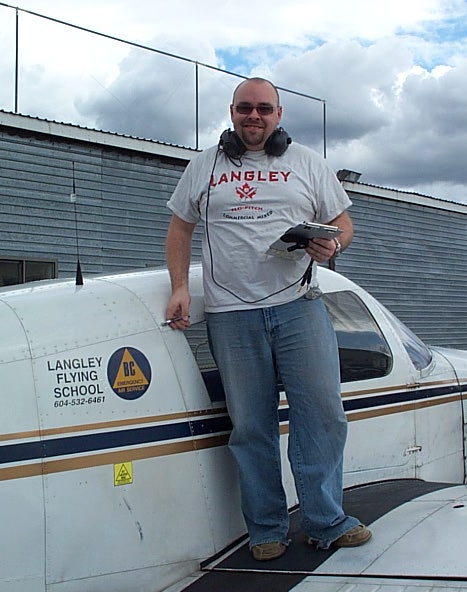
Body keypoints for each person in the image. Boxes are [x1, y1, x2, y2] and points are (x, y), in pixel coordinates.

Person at [164, 77, 371, 561]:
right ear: (231, 113)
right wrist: (179, 287)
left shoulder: (307, 163)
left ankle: (325, 520)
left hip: (298, 307)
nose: (253, 117)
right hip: (231, 314)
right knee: (251, 426)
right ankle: (266, 530)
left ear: (279, 115)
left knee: (322, 416)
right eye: (244, 109)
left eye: (263, 109)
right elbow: (179, 226)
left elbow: (344, 222)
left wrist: (333, 243)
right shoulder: (204, 167)